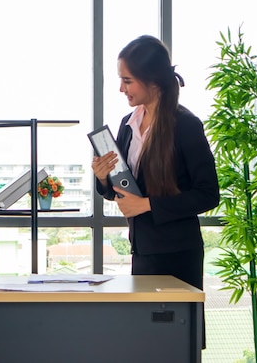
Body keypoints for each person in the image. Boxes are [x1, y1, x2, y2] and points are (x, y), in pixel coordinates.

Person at [91, 35, 219, 293]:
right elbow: (122, 188)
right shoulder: (128, 124)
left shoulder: (185, 125)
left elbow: (208, 195)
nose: (121, 89)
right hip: (142, 250)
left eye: (127, 81)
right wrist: (104, 177)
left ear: (153, 81)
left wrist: (147, 204)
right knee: (145, 331)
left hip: (178, 254)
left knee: (178, 331)